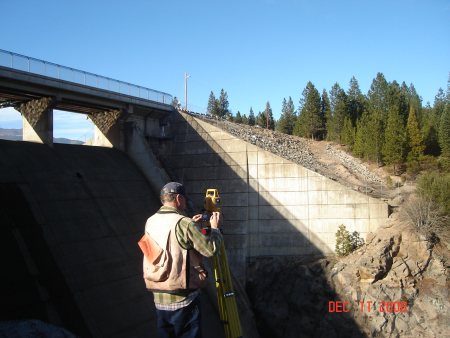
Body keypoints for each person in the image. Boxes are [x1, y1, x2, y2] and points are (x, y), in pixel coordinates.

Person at [141, 182, 223, 338]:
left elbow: (169, 244)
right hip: (183, 299)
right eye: (184, 199)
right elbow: (210, 249)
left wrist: (191, 224)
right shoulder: (185, 224)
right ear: (178, 199)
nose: (185, 203)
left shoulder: (150, 221)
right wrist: (215, 229)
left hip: (159, 297)